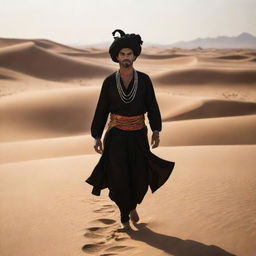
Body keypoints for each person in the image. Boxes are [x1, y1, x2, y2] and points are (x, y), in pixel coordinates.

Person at [86, 29, 175, 231]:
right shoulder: (109, 82)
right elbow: (101, 109)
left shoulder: (144, 80)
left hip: (138, 134)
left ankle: (132, 205)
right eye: (122, 54)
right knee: (118, 176)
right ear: (116, 57)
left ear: (135, 55)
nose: (126, 58)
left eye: (129, 54)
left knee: (139, 175)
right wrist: (97, 136)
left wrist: (157, 130)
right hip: (116, 134)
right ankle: (124, 213)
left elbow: (152, 106)